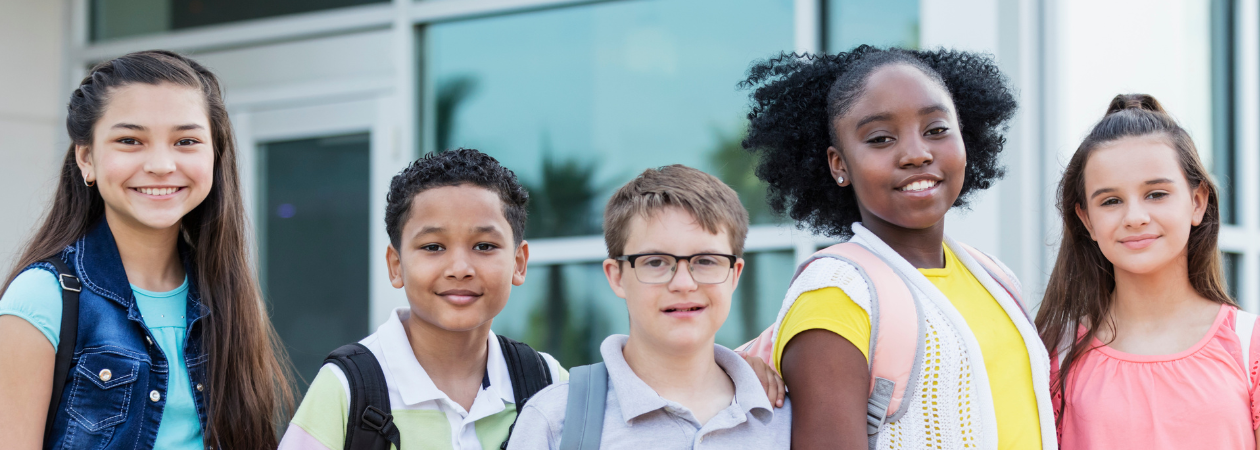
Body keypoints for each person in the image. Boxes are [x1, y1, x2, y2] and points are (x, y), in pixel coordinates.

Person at [737, 46, 1055, 449]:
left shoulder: (994, 275)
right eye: (881, 138)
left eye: (937, 129)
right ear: (839, 165)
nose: (917, 154)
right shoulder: (837, 293)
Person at [0, 50, 295, 450]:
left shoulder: (230, 296)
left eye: (186, 141)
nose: (161, 164)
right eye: (130, 140)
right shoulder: (43, 298)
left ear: (215, 154)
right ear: (86, 158)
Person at [1036, 94, 1260, 449]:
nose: (1135, 217)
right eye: (1111, 201)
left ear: (1198, 202)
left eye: (1156, 194)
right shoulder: (1054, 355)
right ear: (1086, 220)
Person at [279, 148, 565, 450]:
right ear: (396, 265)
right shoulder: (347, 388)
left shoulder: (548, 383)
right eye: (433, 247)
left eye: (483, 245)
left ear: (519, 263)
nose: (459, 269)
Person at [506, 164, 789, 449]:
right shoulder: (555, 420)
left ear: (734, 274)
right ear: (616, 276)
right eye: (655, 262)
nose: (683, 283)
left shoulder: (786, 418)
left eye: (705, 261)